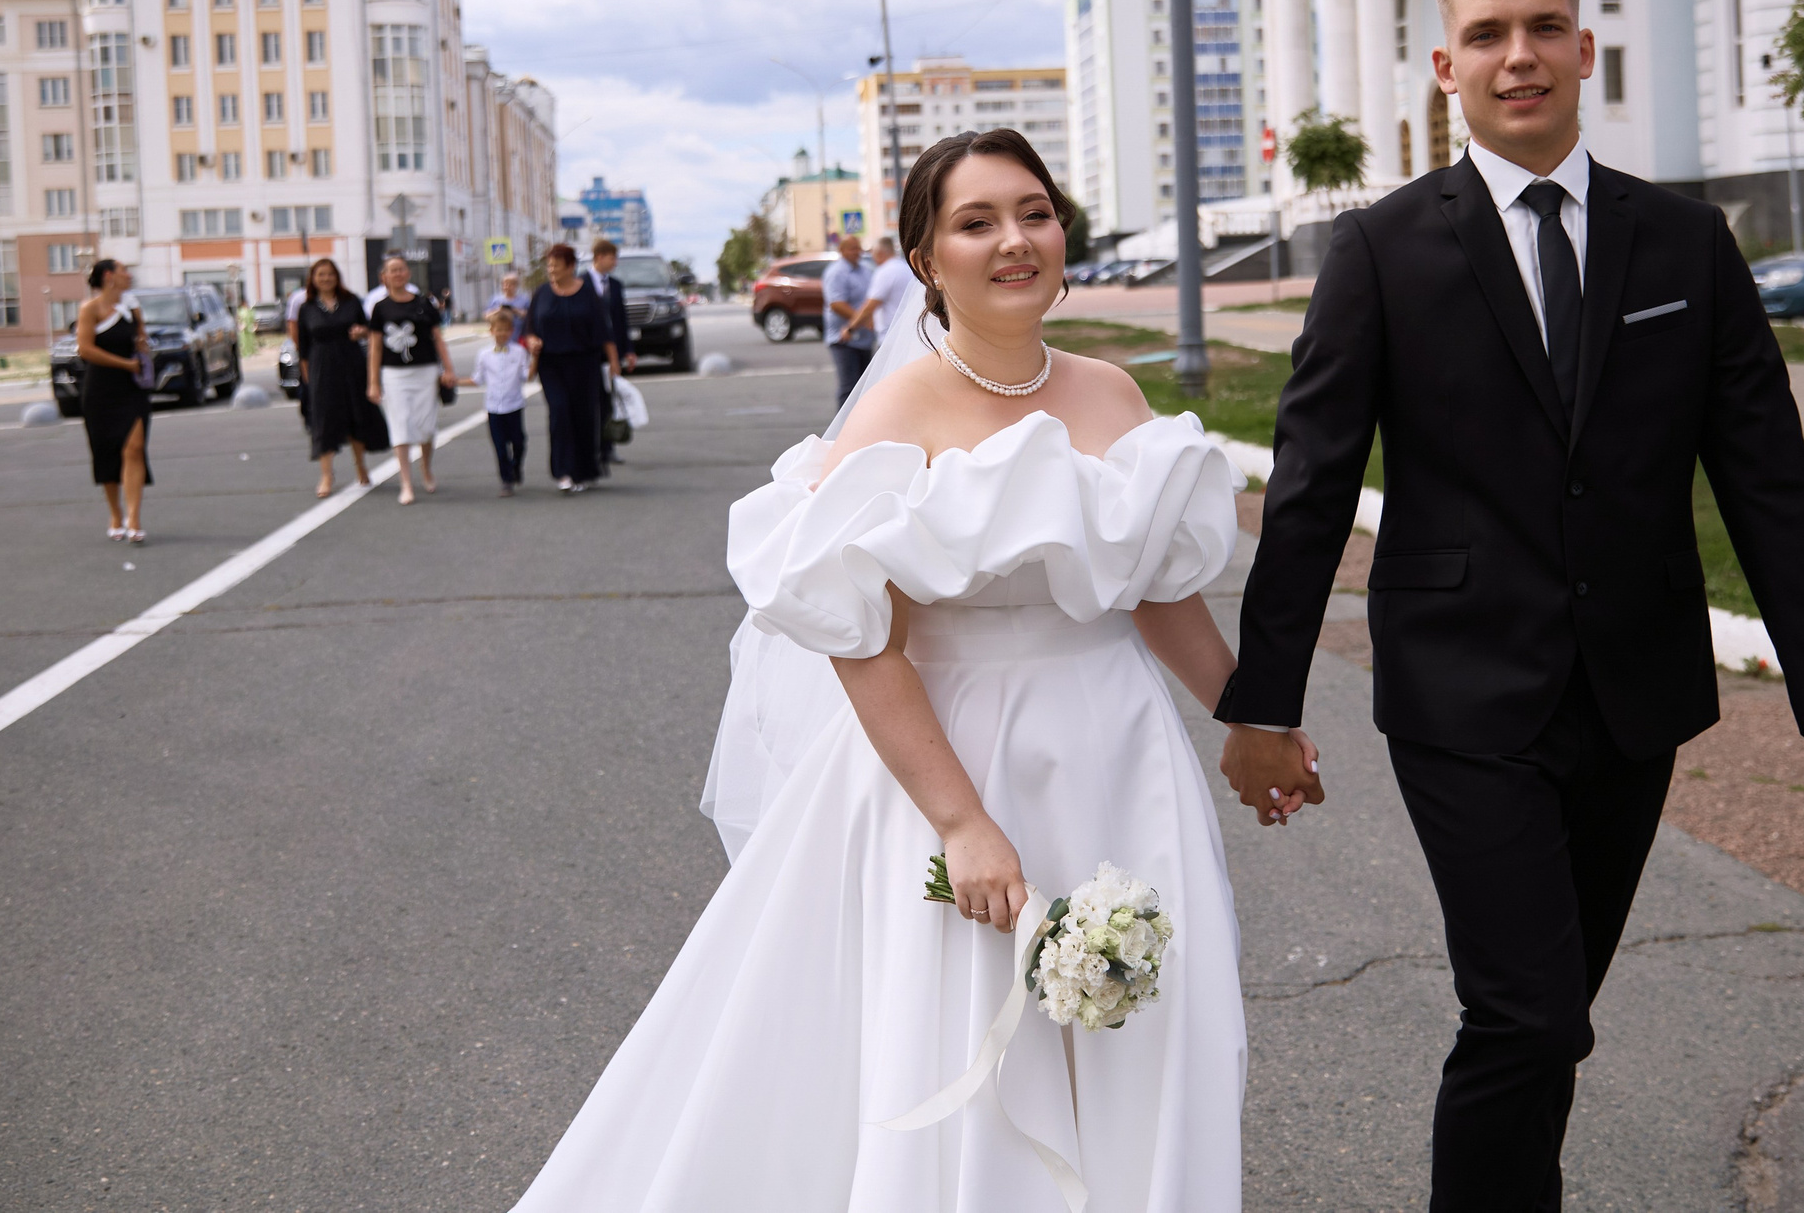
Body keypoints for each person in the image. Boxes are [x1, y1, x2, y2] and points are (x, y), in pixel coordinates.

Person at [1216, 0, 1804, 1211]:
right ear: (1443, 68)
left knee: (1549, 1013)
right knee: (1527, 1014)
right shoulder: (1379, 251)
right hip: (1461, 697)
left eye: (1540, 29)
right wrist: (1265, 704)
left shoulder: (1687, 245)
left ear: (1585, 50)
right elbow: (1307, 493)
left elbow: (1770, 494)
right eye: (1485, 35)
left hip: (1634, 698)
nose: (1515, 56)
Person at [510, 129, 1313, 1210]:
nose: (1014, 240)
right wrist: (962, 824)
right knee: (974, 1054)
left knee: (1148, 1033)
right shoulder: (896, 415)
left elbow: (1153, 592)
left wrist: (1247, 717)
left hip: (1120, 754)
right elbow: (862, 640)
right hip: (954, 760)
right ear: (926, 260)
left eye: (1032, 212)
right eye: (975, 223)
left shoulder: (1113, 397)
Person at [526, 243, 618, 493]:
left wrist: (614, 363)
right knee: (559, 412)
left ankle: (584, 471)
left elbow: (603, 330)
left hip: (584, 364)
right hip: (551, 365)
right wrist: (532, 340)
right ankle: (563, 472)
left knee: (583, 416)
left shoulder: (588, 294)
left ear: (571, 266)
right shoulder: (542, 293)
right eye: (549, 265)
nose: (551, 269)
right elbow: (530, 327)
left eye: (556, 264)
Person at [366, 253, 456, 505]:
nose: (397, 274)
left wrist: (447, 369)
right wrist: (373, 382)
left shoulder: (424, 303)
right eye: (392, 270)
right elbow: (374, 347)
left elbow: (438, 338)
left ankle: (426, 467)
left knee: (426, 427)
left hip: (425, 371)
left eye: (401, 269)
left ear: (408, 273)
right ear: (384, 277)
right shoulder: (380, 308)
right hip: (394, 374)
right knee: (400, 425)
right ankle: (406, 483)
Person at [74, 258, 151, 544]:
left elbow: (140, 340)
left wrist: (142, 341)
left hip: (132, 388)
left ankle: (134, 517)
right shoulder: (90, 309)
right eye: (123, 270)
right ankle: (115, 513)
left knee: (134, 447)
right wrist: (124, 364)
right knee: (107, 452)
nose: (128, 275)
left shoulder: (131, 307)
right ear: (109, 276)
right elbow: (85, 349)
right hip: (101, 391)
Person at [293, 257, 385, 497]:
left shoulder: (351, 301)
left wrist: (361, 332)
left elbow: (369, 330)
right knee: (324, 421)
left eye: (330, 274)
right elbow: (302, 347)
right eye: (320, 275)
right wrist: (307, 379)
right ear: (313, 279)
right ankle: (327, 475)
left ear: (337, 277)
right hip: (321, 367)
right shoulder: (307, 307)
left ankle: (360, 465)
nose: (326, 279)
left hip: (351, 363)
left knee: (356, 414)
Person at [474, 306, 532, 495]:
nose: (502, 333)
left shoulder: (519, 352)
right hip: (493, 407)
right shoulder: (484, 355)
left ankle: (516, 467)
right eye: (498, 329)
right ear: (491, 331)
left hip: (514, 405)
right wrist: (453, 381)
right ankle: (506, 481)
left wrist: (537, 358)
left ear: (512, 331)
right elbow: (477, 379)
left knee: (519, 442)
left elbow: (527, 376)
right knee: (500, 446)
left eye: (506, 330)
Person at [588, 239, 634, 467]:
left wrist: (629, 350)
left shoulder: (615, 285)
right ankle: (591, 449)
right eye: (612, 257)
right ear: (599, 257)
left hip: (611, 353)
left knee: (608, 401)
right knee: (590, 402)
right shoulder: (581, 282)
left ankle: (608, 449)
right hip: (587, 353)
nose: (615, 262)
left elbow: (621, 321)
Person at [821, 230, 876, 404]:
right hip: (844, 339)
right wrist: (863, 319)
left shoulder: (864, 271)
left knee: (864, 388)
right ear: (842, 250)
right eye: (853, 248)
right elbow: (836, 304)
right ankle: (843, 430)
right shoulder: (837, 272)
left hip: (863, 338)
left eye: (859, 248)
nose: (857, 252)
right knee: (849, 388)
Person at [485, 270, 529, 343]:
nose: (507, 287)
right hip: (500, 336)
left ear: (516, 286)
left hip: (519, 337)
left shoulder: (524, 300)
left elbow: (530, 316)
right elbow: (486, 316)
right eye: (505, 284)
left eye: (510, 284)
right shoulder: (495, 300)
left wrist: (516, 311)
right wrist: (499, 310)